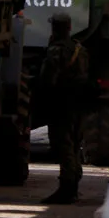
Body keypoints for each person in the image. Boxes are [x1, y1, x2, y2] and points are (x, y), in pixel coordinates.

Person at [39, 12, 90, 204]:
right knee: (75, 144)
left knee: (64, 145)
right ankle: (73, 186)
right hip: (79, 104)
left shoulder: (56, 51)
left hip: (62, 104)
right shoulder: (80, 49)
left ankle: (66, 189)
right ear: (69, 28)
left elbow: (47, 79)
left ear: (54, 29)